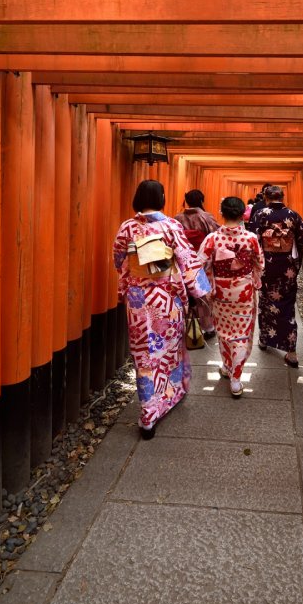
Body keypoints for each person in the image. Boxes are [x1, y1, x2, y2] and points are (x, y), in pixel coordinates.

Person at [113, 179, 211, 439]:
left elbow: (119, 261)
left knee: (143, 355)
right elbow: (187, 260)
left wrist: (131, 280)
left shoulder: (126, 228)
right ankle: (170, 394)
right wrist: (200, 291)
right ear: (162, 197)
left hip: (138, 301)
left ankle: (148, 413)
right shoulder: (170, 226)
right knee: (168, 351)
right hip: (167, 301)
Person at [198, 196, 264, 397]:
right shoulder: (251, 238)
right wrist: (255, 281)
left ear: (222, 213)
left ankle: (228, 367)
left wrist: (209, 286)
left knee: (224, 332)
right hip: (243, 292)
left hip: (221, 292)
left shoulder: (212, 239)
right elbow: (259, 264)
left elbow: (200, 264)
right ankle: (236, 378)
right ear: (243, 214)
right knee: (242, 332)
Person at [250, 185, 303, 368]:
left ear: (266, 198)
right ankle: (291, 352)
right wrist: (291, 249)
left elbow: (253, 240)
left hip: (267, 266)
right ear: (282, 197)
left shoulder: (260, 214)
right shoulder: (292, 214)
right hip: (287, 267)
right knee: (287, 304)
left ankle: (264, 339)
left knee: (267, 301)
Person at [174, 189, 220, 338]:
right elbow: (216, 237)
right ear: (202, 200)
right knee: (203, 294)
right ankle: (207, 327)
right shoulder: (206, 217)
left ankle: (185, 325)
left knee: (184, 292)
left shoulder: (177, 218)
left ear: (186, 201)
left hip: (182, 260)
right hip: (202, 261)